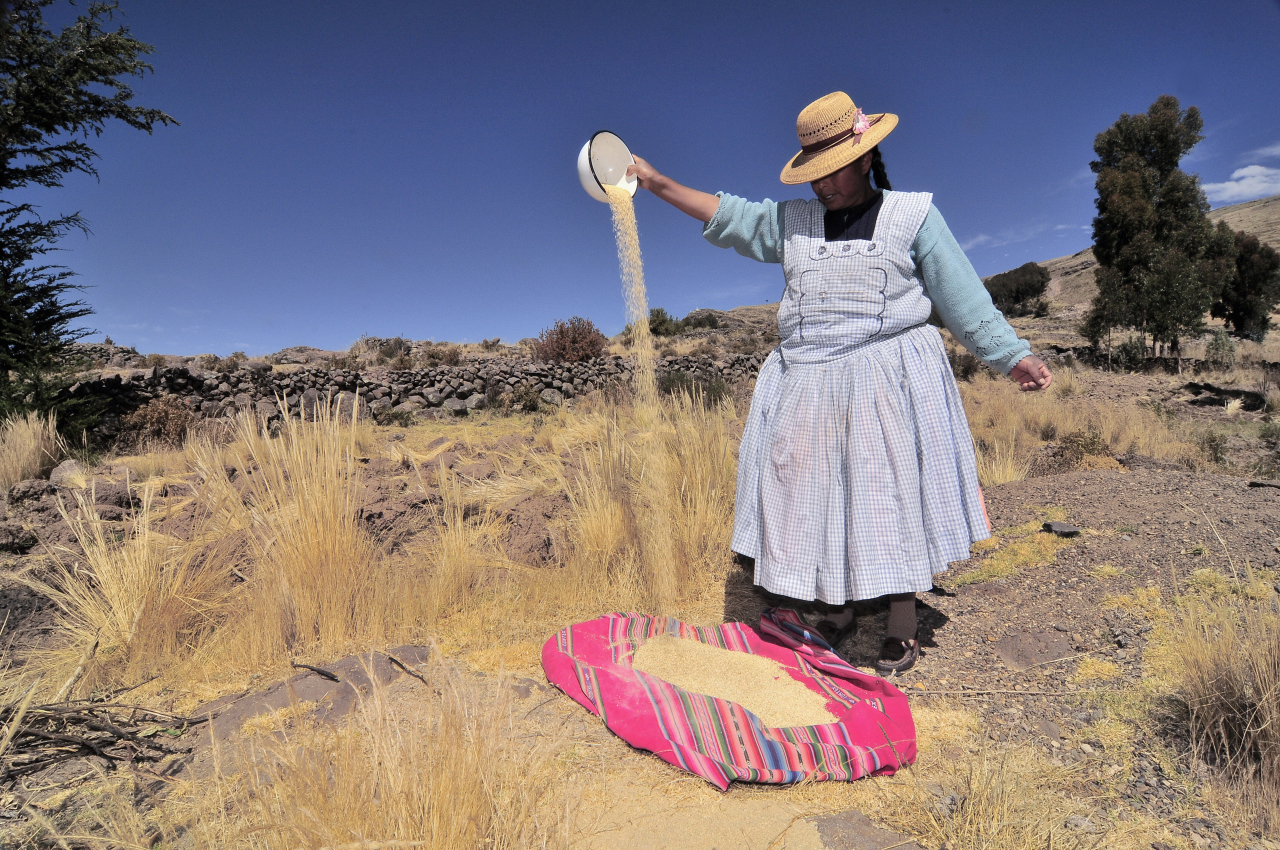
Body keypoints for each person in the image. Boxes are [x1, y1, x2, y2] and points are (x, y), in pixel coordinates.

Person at [627, 91, 1052, 675]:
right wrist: (654, 182)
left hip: (887, 378)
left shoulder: (912, 216)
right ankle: (838, 606)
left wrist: (1010, 355)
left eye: (833, 171)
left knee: (887, 495)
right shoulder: (793, 223)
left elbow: (961, 296)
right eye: (814, 173)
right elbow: (728, 216)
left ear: (866, 157)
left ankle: (901, 619)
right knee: (816, 494)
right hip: (807, 381)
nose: (822, 185)